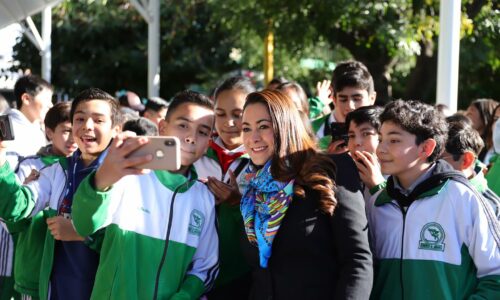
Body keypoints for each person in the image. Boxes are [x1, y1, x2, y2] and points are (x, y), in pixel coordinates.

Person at [71, 90, 219, 299]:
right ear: (162, 128)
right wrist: (103, 178)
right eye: (183, 125)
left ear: (208, 142)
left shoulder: (204, 197)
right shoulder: (127, 174)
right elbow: (84, 224)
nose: (191, 137)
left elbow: (205, 268)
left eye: (203, 132)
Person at [240, 90, 373, 299]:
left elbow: (357, 259)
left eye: (263, 126)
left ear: (286, 127)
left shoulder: (331, 169)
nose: (252, 138)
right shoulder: (251, 189)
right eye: (246, 128)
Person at [368, 100, 500, 299]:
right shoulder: (377, 202)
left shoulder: (463, 198)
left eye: (394, 140)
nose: (381, 149)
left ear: (426, 148)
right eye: (380, 139)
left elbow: (495, 276)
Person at [0, 88, 121, 300]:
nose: (87, 127)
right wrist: (1, 159)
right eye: (80, 119)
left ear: (116, 130)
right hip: (55, 291)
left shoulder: (127, 177)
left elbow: (132, 242)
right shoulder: (57, 171)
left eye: (98, 120)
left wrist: (83, 235)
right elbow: (16, 208)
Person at [6, 102, 77, 299]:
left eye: (76, 130)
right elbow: (14, 216)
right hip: (33, 269)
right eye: (66, 131)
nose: (72, 138)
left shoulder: (85, 168)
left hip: (69, 271)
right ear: (49, 132)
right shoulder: (31, 165)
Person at [193, 76, 255, 299]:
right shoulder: (195, 155)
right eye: (220, 114)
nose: (229, 122)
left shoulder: (266, 162)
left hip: (244, 273)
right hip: (193, 272)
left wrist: (238, 203)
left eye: (237, 115)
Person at [441, 118, 500, 219]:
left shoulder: (490, 207)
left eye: (438, 160)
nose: (429, 166)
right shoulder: (428, 192)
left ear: (466, 161)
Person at [312, 61, 376, 153]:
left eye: (357, 98)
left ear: (372, 98)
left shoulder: (384, 132)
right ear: (333, 98)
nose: (350, 106)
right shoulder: (310, 131)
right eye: (343, 99)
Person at [5, 75, 53, 169]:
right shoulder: (7, 129)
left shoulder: (37, 129)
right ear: (26, 99)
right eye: (47, 99)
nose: (51, 105)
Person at [345, 105, 385, 198]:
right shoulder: (344, 175)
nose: (356, 142)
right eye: (351, 135)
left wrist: (379, 186)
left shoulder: (400, 178)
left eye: (366, 134)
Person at [465, 98, 499, 163]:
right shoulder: (469, 143)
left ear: (485, 116)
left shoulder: (493, 148)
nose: (466, 116)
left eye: (470, 113)